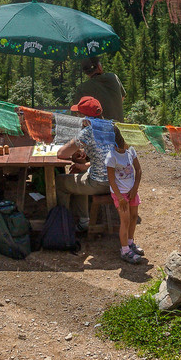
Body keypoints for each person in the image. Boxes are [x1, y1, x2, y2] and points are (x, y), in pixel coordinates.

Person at [53, 97, 113, 232]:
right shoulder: (111, 127)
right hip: (116, 181)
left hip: (99, 183)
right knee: (79, 173)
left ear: (85, 117)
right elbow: (107, 158)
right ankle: (83, 218)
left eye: (79, 115)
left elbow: (61, 153)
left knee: (59, 182)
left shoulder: (87, 132)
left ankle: (64, 223)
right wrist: (85, 165)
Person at [106, 123, 144, 265]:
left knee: (134, 217)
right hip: (120, 194)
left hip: (132, 191)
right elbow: (111, 180)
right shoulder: (111, 156)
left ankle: (130, 242)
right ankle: (124, 250)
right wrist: (120, 198)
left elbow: (138, 170)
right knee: (125, 220)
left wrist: (135, 189)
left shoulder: (131, 151)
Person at [73, 55, 125, 122]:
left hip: (97, 127)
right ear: (99, 67)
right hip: (119, 126)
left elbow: (78, 113)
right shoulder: (113, 77)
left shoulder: (82, 88)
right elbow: (122, 97)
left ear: (86, 73)